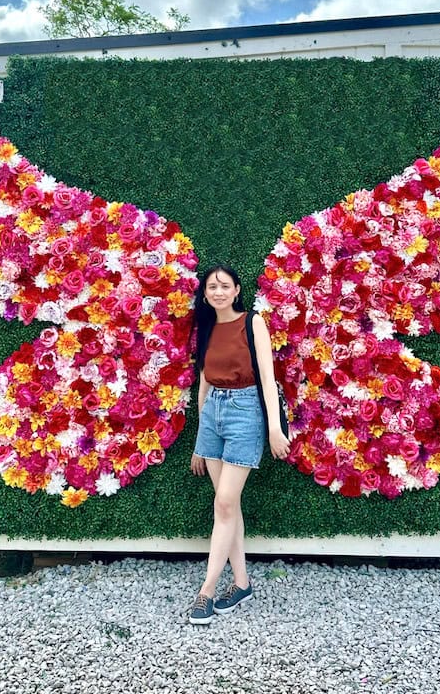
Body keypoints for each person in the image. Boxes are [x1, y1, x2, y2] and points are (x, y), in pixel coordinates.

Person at [189, 264, 291, 625]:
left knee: (225, 503)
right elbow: (203, 382)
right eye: (212, 287)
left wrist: (274, 428)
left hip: (245, 413)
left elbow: (268, 378)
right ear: (205, 294)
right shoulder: (206, 328)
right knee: (227, 507)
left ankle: (206, 591)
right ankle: (242, 584)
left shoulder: (253, 323)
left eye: (225, 286)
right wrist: (199, 441)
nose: (218, 292)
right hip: (212, 415)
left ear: (236, 290)